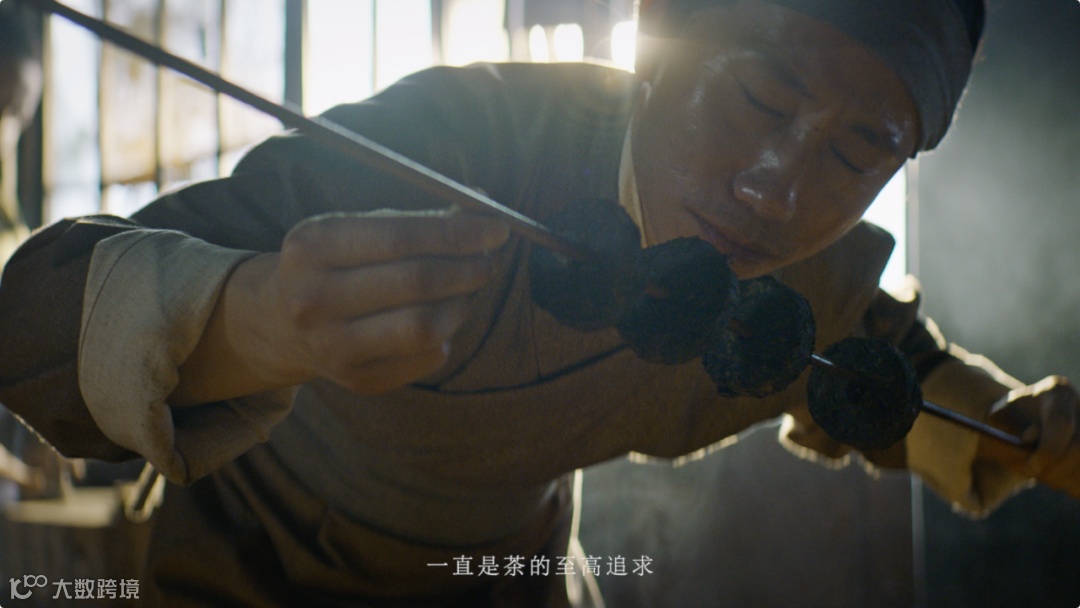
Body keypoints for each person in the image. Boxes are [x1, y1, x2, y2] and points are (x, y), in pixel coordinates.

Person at [0, 0, 1077, 605]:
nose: (778, 189)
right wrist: (252, 316)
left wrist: (1022, 429)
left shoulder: (803, 280)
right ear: (658, 40)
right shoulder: (455, 141)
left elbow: (887, 371)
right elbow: (33, 320)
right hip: (252, 561)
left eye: (857, 153)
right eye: (760, 97)